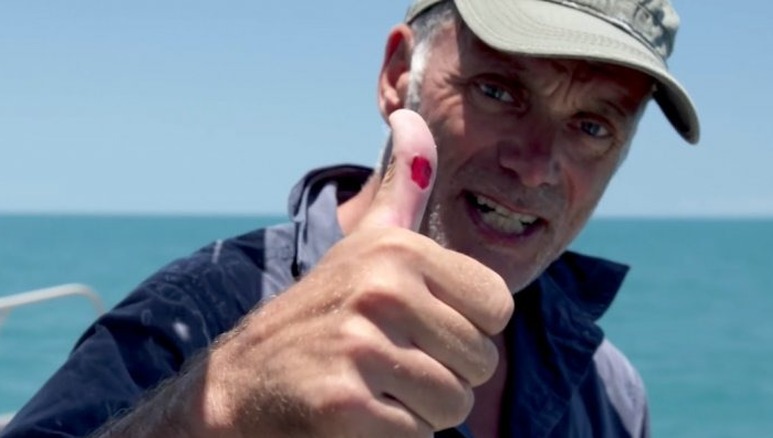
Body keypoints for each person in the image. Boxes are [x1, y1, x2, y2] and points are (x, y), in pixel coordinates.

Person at [2, 0, 700, 437]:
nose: (538, 164)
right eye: (497, 90)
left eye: (593, 126)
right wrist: (220, 412)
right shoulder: (192, 324)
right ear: (399, 73)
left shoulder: (607, 388)